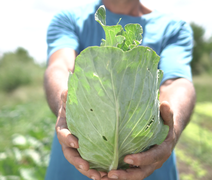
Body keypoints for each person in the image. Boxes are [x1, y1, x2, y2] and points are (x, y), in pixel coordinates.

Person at [44, 0, 196, 179]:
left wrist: (174, 127)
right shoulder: (69, 19)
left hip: (150, 167)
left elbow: (177, 82)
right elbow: (60, 66)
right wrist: (64, 107)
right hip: (74, 168)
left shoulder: (173, 28)